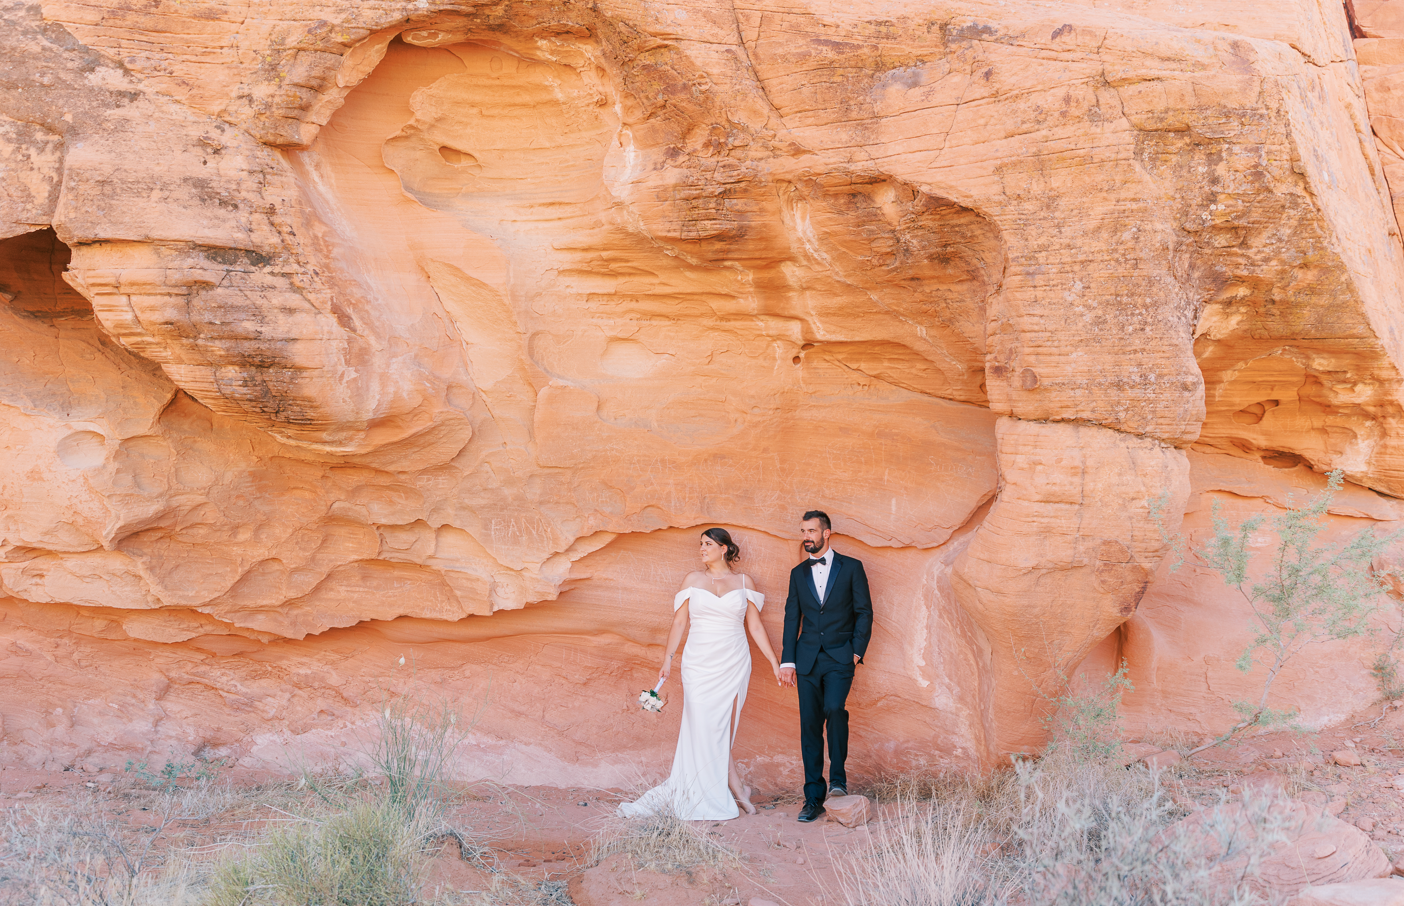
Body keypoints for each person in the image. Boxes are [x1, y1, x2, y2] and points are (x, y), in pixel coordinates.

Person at [621, 528, 787, 821]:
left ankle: (738, 791)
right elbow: (679, 622)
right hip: (697, 664)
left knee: (720, 729)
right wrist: (668, 659)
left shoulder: (744, 582)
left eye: (708, 544)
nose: (702, 549)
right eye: (701, 544)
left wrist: (775, 662)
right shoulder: (692, 580)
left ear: (724, 548)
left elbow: (756, 627)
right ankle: (738, 791)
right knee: (705, 728)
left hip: (734, 661)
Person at [778, 510, 873, 823]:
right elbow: (793, 618)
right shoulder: (797, 573)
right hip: (806, 659)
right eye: (803, 530)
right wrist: (787, 661)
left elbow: (864, 612)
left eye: (812, 531)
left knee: (834, 709)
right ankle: (813, 799)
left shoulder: (852, 568)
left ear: (827, 533)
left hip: (839, 657)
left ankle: (839, 781)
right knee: (809, 726)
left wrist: (856, 652)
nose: (806, 536)